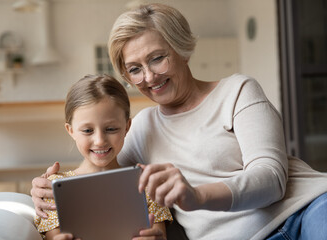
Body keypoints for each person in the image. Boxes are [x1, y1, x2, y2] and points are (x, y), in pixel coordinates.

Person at [31, 3, 327, 240]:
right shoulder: (141, 128)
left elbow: (271, 180)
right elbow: (98, 172)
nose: (148, 77)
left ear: (182, 48)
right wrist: (48, 190)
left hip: (307, 210)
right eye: (134, 69)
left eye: (157, 58)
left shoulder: (237, 91)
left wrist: (196, 196)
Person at [33, 74, 172, 240]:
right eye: (87, 131)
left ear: (127, 126)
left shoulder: (146, 184)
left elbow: (159, 235)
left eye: (111, 129)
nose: (99, 141)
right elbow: (52, 237)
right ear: (71, 130)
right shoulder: (54, 188)